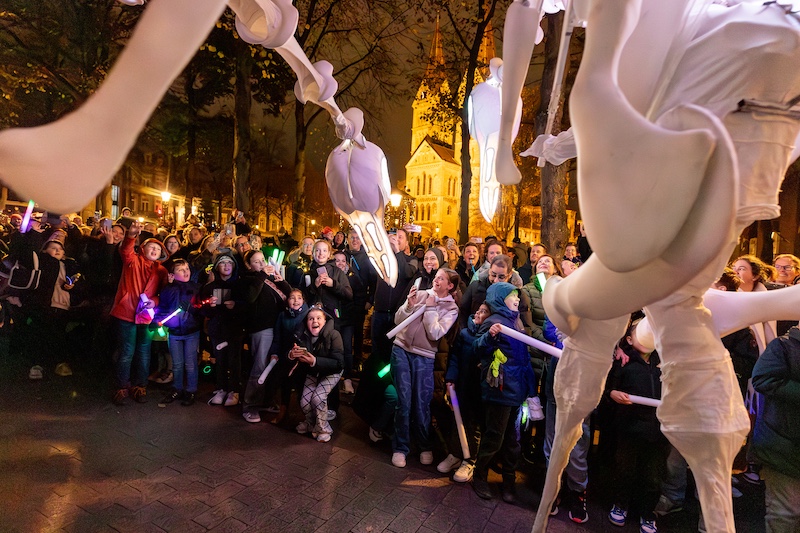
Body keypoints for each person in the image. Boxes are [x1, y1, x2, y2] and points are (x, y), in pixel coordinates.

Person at [471, 282, 538, 504]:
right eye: (511, 296)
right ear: (499, 299)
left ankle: (508, 482)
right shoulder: (493, 322)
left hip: (516, 391)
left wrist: (529, 388)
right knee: (494, 437)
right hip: (499, 391)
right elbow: (477, 349)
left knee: (513, 440)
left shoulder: (516, 321)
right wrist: (489, 337)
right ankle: (479, 475)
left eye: (517, 296)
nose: (517, 300)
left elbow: (523, 358)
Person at [390, 268, 460, 468]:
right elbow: (397, 320)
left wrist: (430, 309)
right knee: (403, 402)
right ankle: (400, 447)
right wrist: (409, 306)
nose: (436, 281)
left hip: (424, 357)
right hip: (401, 350)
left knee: (421, 405)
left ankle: (424, 445)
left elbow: (435, 333)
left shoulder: (452, 309)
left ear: (450, 286)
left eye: (442, 279)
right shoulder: (421, 294)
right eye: (436, 277)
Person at [605, 319, 669, 533]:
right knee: (625, 469)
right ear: (629, 339)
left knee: (652, 475)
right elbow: (608, 387)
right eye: (640, 332)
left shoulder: (665, 362)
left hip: (658, 430)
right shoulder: (622, 361)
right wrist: (612, 393)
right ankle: (620, 504)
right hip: (629, 426)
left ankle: (646, 512)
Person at [110, 221, 168, 405]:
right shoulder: (132, 261)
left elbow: (163, 294)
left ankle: (140, 386)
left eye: (157, 250)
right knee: (126, 351)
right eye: (151, 247)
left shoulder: (161, 270)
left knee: (144, 351)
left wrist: (155, 301)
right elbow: (126, 250)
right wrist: (131, 235)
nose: (154, 251)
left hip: (146, 316)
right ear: (143, 248)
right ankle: (121, 387)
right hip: (126, 313)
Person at [750, 326, 800, 533]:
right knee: (786, 515)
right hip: (784, 446)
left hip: (784, 443)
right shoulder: (783, 346)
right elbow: (762, 378)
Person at [237, 249, 292, 423]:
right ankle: (250, 406)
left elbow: (289, 295)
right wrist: (261, 275)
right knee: (259, 366)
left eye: (263, 260)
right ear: (249, 265)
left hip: (278, 327)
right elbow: (251, 298)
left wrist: (280, 280)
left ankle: (266, 400)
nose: (261, 264)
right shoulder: (247, 279)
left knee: (274, 367)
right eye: (256, 261)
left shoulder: (269, 278)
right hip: (262, 328)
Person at [440, 303, 491, 483]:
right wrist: (451, 379)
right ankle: (455, 453)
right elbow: (454, 357)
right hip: (461, 385)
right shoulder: (465, 334)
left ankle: (469, 459)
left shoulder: (489, 337)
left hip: (477, 389)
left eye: (484, 312)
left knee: (472, 424)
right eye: (478, 309)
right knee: (457, 420)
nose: (478, 313)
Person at [292, 305, 344, 443]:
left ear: (325, 320)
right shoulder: (302, 336)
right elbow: (290, 354)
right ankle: (311, 423)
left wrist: (315, 361)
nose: (314, 321)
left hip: (331, 372)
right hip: (313, 371)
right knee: (304, 401)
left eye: (318, 318)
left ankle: (323, 429)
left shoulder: (334, 335)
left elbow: (339, 363)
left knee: (318, 398)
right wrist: (292, 354)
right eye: (311, 318)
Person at [155, 259, 202, 407]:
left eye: (187, 268)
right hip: (175, 332)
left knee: (191, 363)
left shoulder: (195, 288)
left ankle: (191, 390)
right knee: (177, 363)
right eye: (180, 270)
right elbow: (162, 307)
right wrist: (158, 320)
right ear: (172, 275)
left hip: (191, 331)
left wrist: (192, 308)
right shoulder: (168, 290)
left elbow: (201, 309)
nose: (185, 271)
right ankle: (177, 388)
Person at [200, 253, 243, 408]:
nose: (226, 266)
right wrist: (209, 305)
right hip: (217, 329)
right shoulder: (210, 287)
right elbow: (203, 310)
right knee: (220, 359)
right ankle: (221, 388)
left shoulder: (239, 285)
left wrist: (236, 305)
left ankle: (234, 390)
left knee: (234, 360)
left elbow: (247, 305)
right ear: (217, 267)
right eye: (223, 263)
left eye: (229, 263)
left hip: (235, 329)